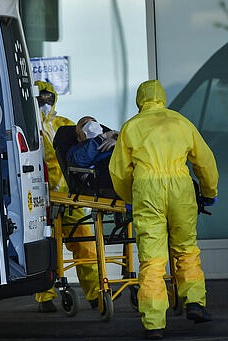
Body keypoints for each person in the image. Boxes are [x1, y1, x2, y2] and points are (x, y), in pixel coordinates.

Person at [109, 80, 218, 340]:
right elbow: (205, 161)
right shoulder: (181, 122)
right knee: (186, 248)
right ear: (163, 98)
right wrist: (209, 192)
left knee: (153, 259)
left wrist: (129, 197)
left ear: (140, 100)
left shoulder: (131, 127)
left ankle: (155, 323)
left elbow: (118, 171)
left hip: (147, 191)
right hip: (180, 188)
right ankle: (194, 302)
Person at [35, 80, 100, 312]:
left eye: (49, 97)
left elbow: (80, 153)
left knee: (85, 244)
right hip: (41, 200)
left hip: (70, 197)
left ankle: (95, 293)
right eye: (40, 97)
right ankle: (45, 296)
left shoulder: (64, 125)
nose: (45, 102)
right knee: (46, 249)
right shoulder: (28, 126)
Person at [66, 116, 118, 193]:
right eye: (84, 124)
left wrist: (119, 141)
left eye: (94, 121)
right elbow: (82, 160)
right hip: (98, 174)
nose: (91, 124)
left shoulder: (109, 142)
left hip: (117, 167)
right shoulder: (75, 150)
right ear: (79, 137)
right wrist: (101, 138)